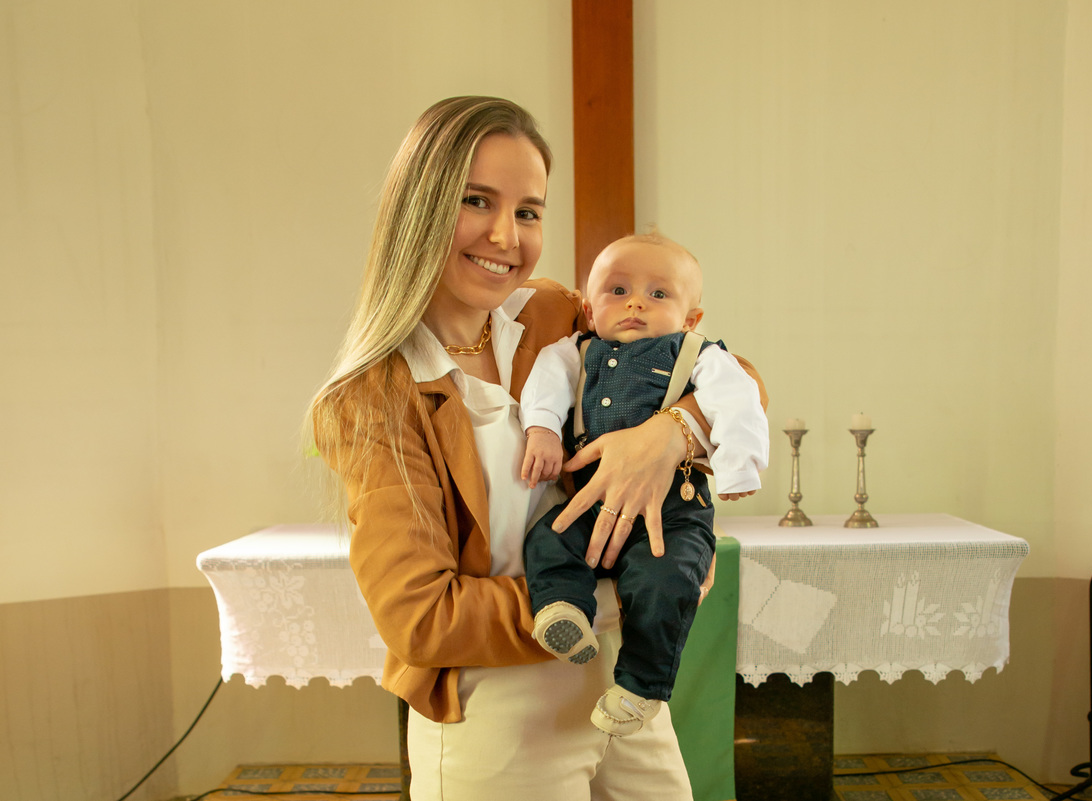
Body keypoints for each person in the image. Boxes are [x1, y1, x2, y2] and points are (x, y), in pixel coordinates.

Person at [307, 96, 765, 801]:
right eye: (476, 201)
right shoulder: (377, 394)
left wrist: (667, 434)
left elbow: (731, 374)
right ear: (420, 209)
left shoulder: (552, 313)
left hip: (620, 690)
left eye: (528, 211)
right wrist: (637, 594)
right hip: (498, 715)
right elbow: (420, 616)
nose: (505, 235)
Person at [519, 233, 770, 736]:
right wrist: (542, 429)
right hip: (592, 500)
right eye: (618, 291)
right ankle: (564, 611)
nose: (635, 302)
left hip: (673, 512)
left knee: (666, 582)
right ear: (589, 310)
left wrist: (739, 467)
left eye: (658, 294)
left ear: (691, 318)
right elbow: (545, 383)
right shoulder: (573, 352)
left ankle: (641, 687)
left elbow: (739, 400)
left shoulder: (698, 354)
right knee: (549, 537)